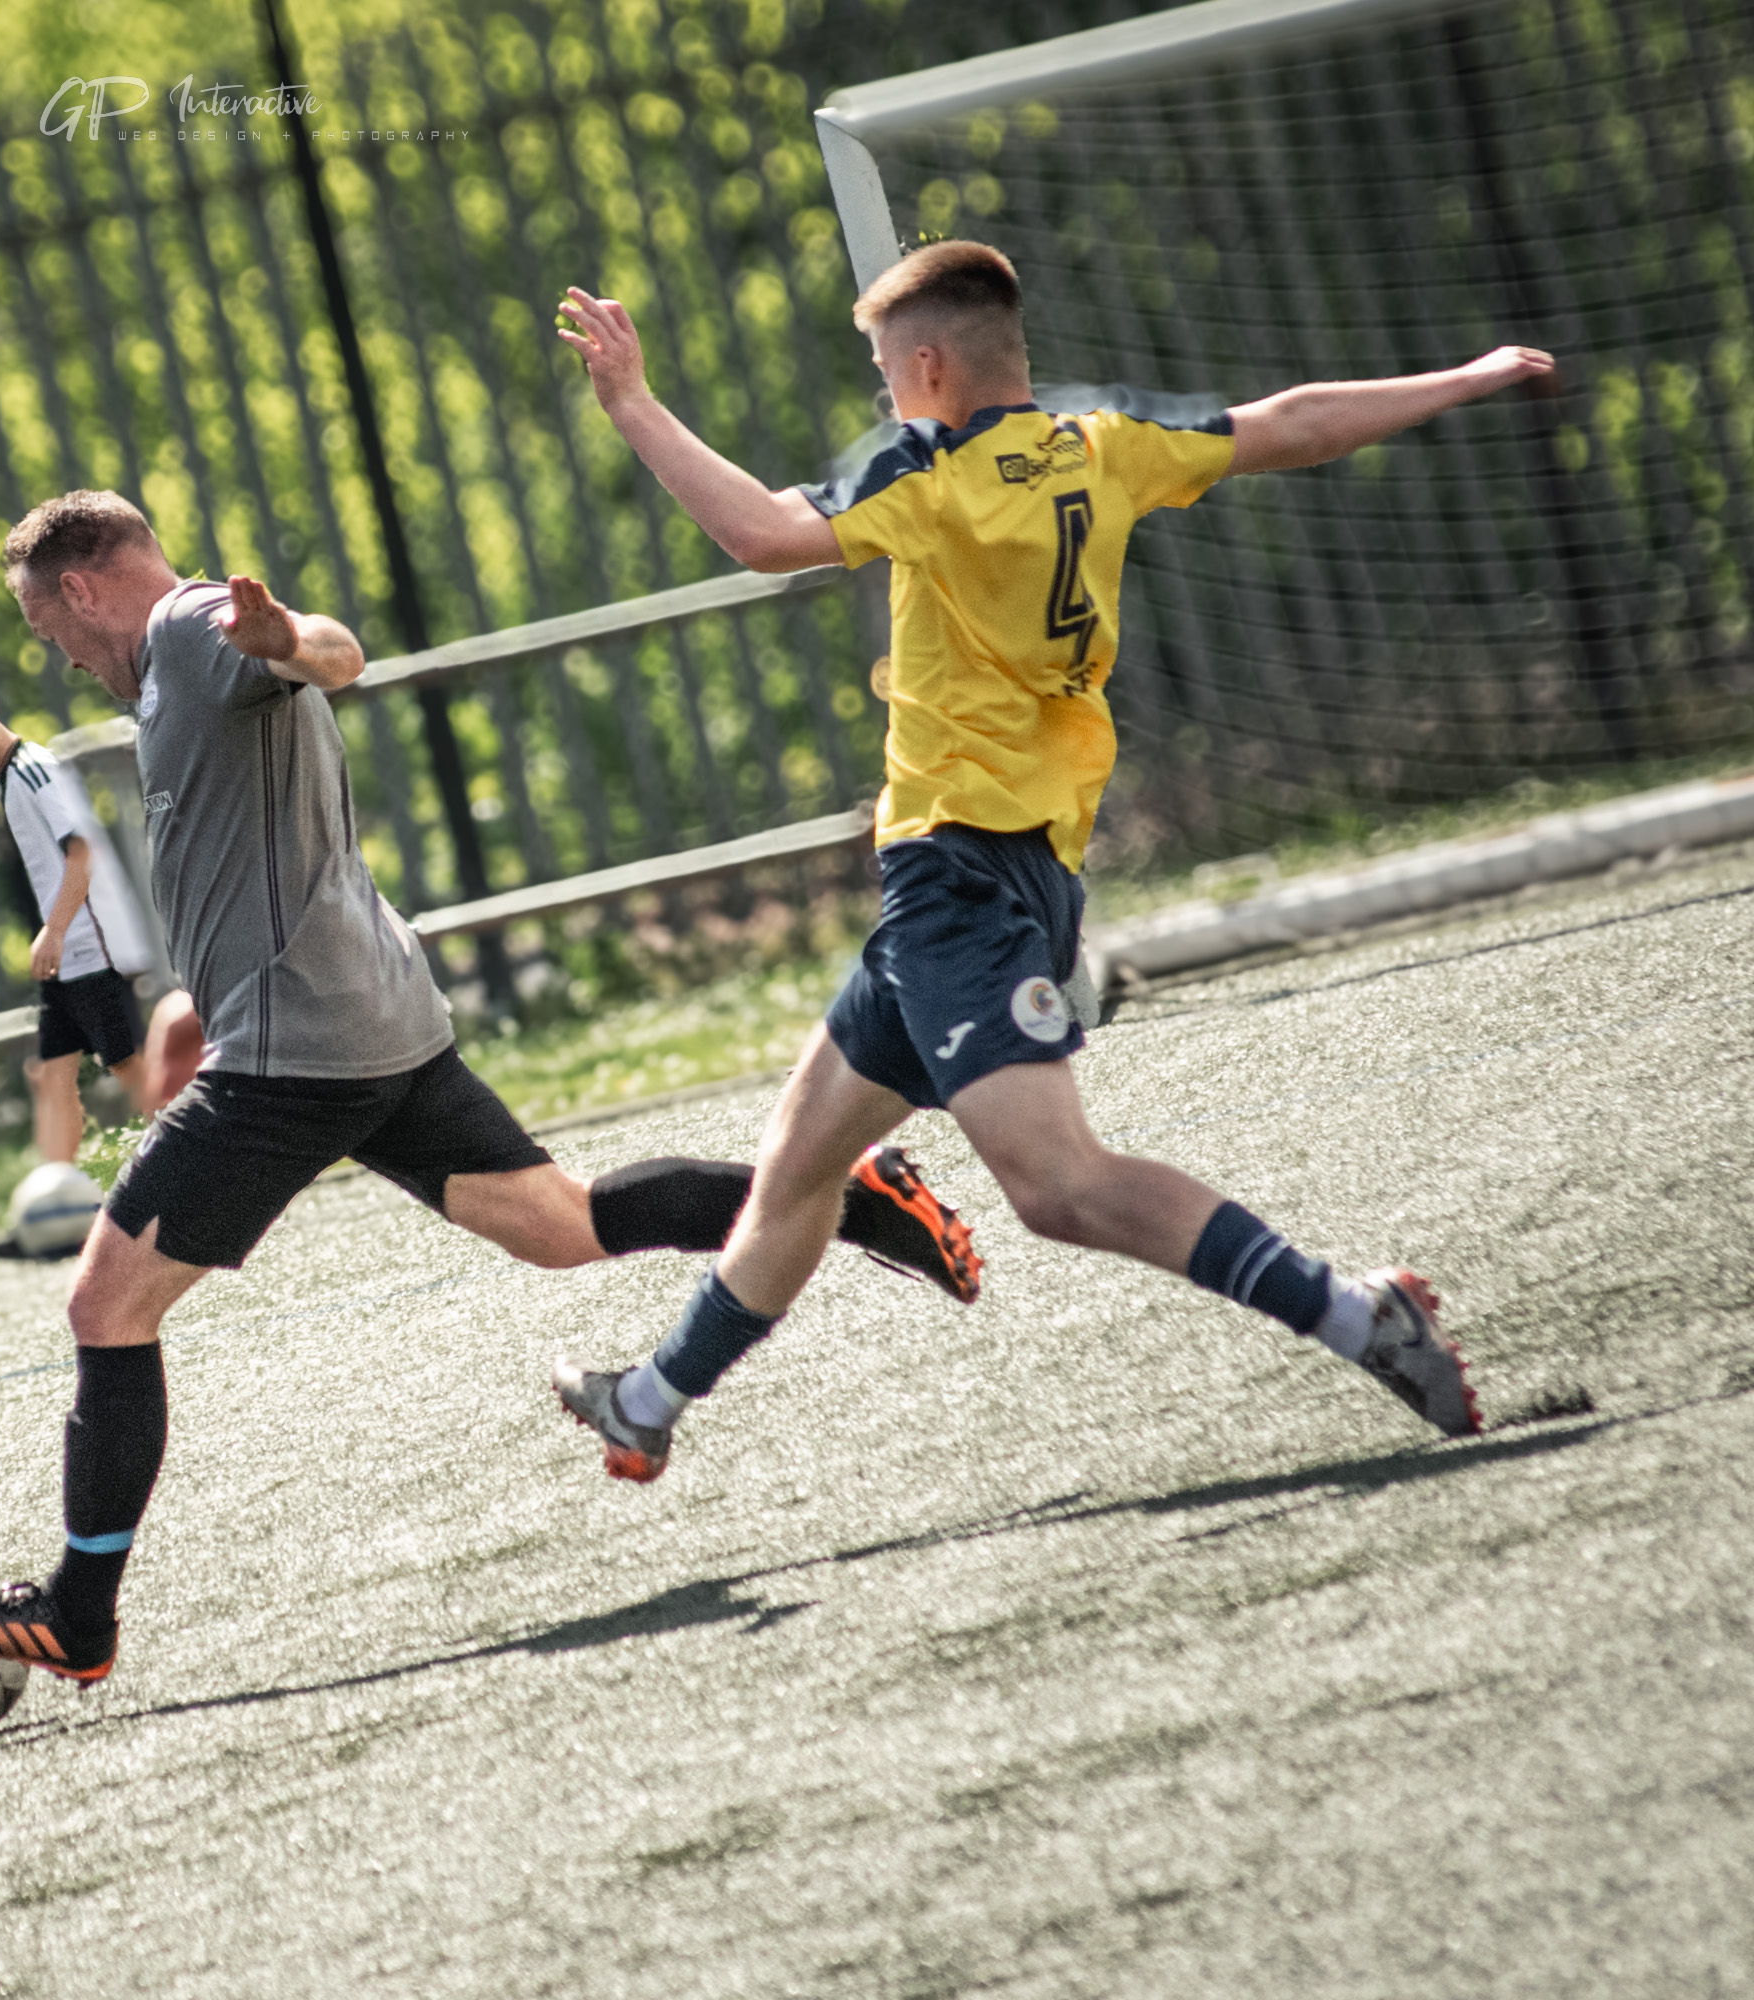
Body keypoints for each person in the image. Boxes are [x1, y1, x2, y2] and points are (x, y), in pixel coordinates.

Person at [0, 492, 986, 1685]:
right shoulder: (176, 665)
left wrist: (287, 644)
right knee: (564, 1226)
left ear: (79, 586)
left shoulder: (186, 628)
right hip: (371, 1018)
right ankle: (857, 1193)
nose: (51, 654)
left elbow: (332, 650)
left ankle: (78, 1613)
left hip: (294, 1056)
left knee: (104, 1307)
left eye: (42, 622)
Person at [547, 241, 1546, 1480]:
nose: (881, 396)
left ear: (926, 366)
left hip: (959, 876)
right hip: (1002, 870)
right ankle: (648, 1398)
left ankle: (1353, 1311)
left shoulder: (926, 466)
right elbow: (1294, 425)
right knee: (801, 1162)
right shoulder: (1101, 440)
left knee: (1058, 1185)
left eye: (882, 372)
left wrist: (633, 403)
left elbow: (757, 533)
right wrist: (1465, 375)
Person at [0, 663, 171, 1161]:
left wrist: (55, 931)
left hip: (91, 948)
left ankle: (194, 1157)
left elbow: (80, 851)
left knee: (127, 1061)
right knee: (52, 1070)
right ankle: (57, 1196)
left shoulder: (33, 769)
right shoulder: (1, 783)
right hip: (67, 955)